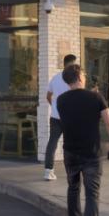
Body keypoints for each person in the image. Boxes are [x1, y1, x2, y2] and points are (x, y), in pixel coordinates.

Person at [56, 63, 109, 216]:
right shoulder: (96, 97)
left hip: (70, 152)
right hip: (91, 153)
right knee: (92, 194)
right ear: (80, 77)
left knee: (73, 189)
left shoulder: (61, 100)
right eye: (83, 74)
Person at [44, 53, 79, 181]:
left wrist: (54, 106)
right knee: (70, 143)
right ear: (71, 64)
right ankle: (72, 170)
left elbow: (48, 95)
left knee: (52, 142)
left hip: (55, 116)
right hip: (70, 117)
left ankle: (48, 171)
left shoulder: (55, 78)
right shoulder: (74, 79)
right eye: (75, 64)